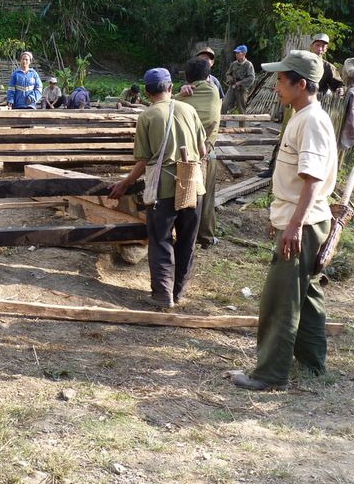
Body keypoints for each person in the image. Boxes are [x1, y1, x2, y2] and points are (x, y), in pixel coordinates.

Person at [231, 50, 338, 391]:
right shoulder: (302, 116)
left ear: (301, 84)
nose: (275, 85)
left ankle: (269, 373)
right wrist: (283, 219)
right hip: (301, 220)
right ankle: (311, 361)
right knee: (304, 295)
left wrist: (293, 225)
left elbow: (312, 180)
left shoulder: (311, 121)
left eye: (280, 79)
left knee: (281, 300)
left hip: (303, 224)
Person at [109, 68, 207, 308]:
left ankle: (163, 294)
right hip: (193, 186)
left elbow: (143, 162)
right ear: (171, 88)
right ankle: (179, 291)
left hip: (163, 190)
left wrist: (125, 183)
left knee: (161, 240)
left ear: (146, 91)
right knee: (186, 241)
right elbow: (203, 151)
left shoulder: (147, 116)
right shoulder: (190, 110)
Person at [177, 58, 221, 249]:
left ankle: (188, 237)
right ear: (208, 75)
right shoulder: (214, 90)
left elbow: (161, 104)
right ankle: (204, 237)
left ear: (187, 78)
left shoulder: (179, 99)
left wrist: (179, 93)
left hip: (181, 153)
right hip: (205, 153)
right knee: (203, 198)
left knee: (183, 197)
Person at [223, 45, 255, 113]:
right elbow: (228, 73)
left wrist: (240, 83)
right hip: (232, 87)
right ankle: (222, 123)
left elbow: (251, 78)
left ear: (244, 54)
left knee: (241, 109)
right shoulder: (233, 64)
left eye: (238, 53)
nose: (236, 54)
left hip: (242, 89)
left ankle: (242, 124)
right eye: (236, 53)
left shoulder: (248, 65)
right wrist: (230, 79)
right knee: (224, 104)